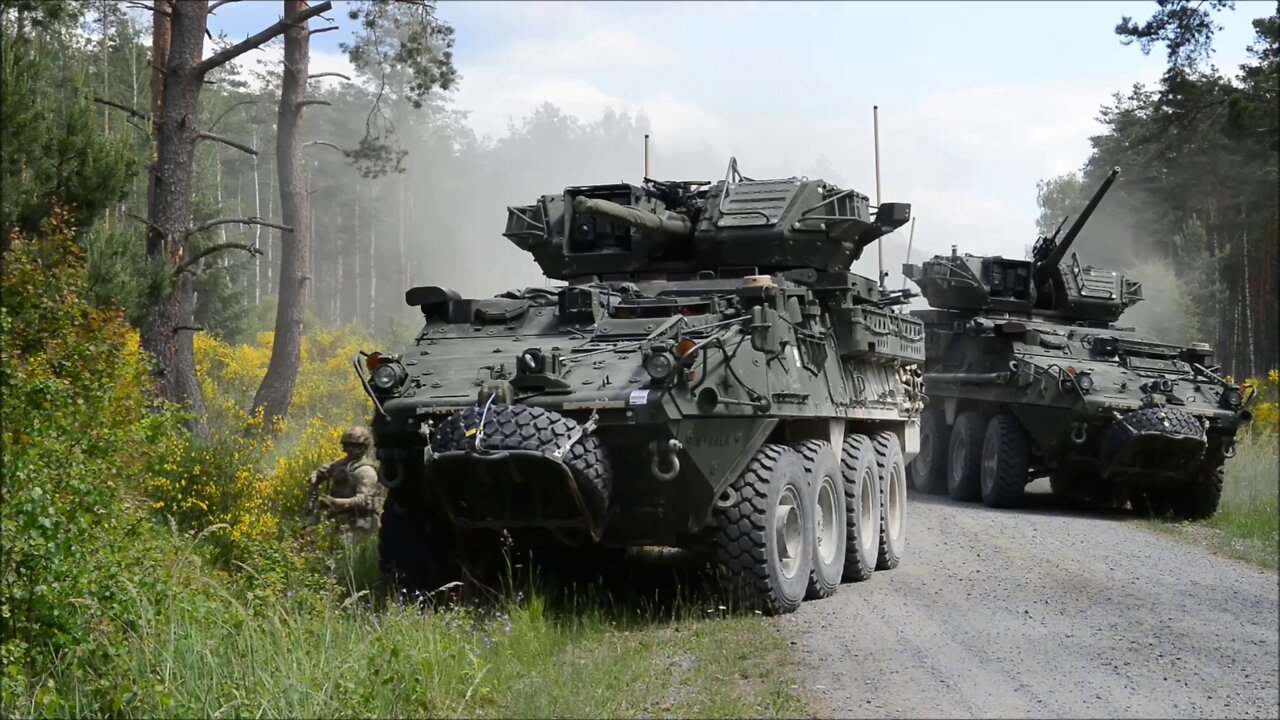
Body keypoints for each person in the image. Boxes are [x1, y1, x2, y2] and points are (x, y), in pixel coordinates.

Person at [309, 426, 384, 543]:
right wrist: (315, 478)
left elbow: (364, 500)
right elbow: (322, 472)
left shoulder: (366, 471)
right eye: (347, 445)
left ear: (362, 447)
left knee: (343, 545)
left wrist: (336, 502)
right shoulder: (341, 464)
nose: (349, 449)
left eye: (353, 446)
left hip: (361, 522)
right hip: (340, 519)